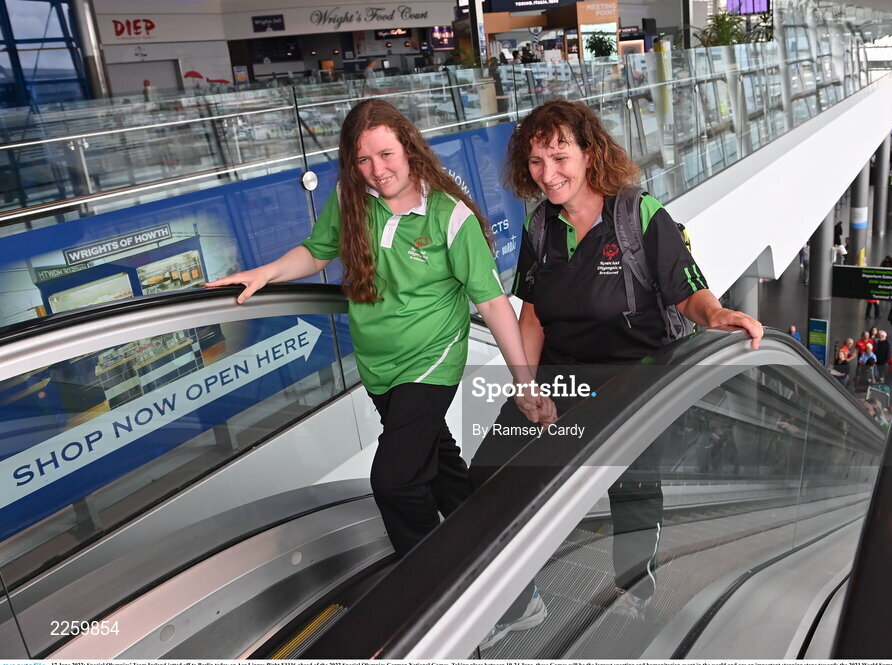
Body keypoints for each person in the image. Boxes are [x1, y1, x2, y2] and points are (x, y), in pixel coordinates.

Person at [472, 99, 763, 648]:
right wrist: (526, 386)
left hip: (633, 379)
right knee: (490, 469)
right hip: (561, 376)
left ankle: (635, 593)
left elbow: (686, 292)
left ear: (589, 152)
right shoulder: (542, 226)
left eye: (559, 157)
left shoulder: (637, 214)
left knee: (629, 490)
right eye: (535, 162)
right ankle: (517, 600)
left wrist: (717, 313)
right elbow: (531, 312)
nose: (548, 174)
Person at [206, 99, 547, 557]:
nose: (376, 169)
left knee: (395, 480)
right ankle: (510, 582)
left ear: (408, 149)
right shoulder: (352, 201)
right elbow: (318, 251)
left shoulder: (450, 217)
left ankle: (435, 591)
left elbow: (492, 304)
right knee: (441, 467)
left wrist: (523, 380)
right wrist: (265, 273)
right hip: (377, 367)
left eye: (385, 155)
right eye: (363, 159)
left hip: (430, 363)